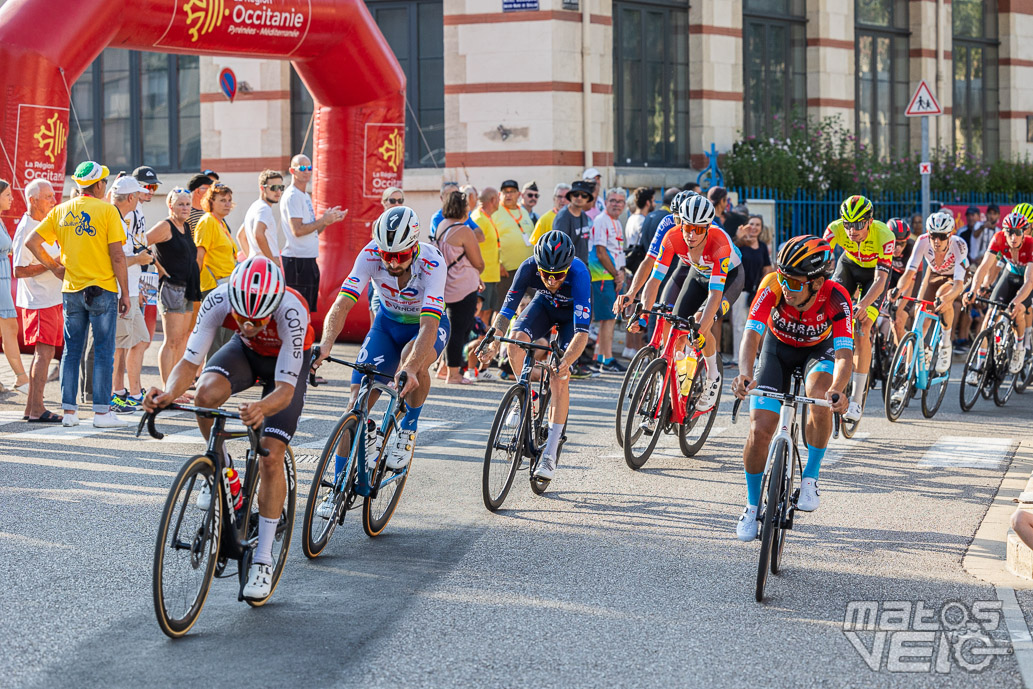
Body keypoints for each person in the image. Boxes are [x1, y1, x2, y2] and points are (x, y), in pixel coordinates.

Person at [143, 256, 312, 600]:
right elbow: (190, 362)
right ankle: (224, 468)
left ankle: (263, 559)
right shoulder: (219, 298)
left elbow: (285, 390)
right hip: (246, 355)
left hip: (285, 366)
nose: (249, 325)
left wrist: (262, 408)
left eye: (258, 319)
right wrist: (168, 392)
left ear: (274, 306)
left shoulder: (292, 311)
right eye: (243, 318)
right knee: (204, 394)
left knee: (270, 454)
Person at [731, 236, 852, 540]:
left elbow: (844, 355)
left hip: (818, 353)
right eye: (784, 278)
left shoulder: (837, 297)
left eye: (795, 283)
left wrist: (838, 388)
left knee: (819, 395)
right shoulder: (772, 284)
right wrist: (745, 374)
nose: (786, 287)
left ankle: (810, 476)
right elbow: (751, 335)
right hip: (776, 350)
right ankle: (751, 503)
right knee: (760, 431)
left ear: (816, 282)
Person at [316, 205, 450, 476]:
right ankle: (338, 484)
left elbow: (429, 325)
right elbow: (341, 304)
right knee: (355, 406)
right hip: (386, 326)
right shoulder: (369, 255)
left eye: (400, 255)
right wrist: (325, 343)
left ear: (413, 248)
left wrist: (411, 367)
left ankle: (408, 428)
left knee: (414, 360)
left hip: (425, 327)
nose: (391, 263)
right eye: (386, 255)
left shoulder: (433, 263)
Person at [478, 231, 591, 481]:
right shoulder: (528, 267)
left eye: (558, 275)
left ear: (568, 266)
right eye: (546, 274)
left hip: (570, 317)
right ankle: (527, 397)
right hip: (543, 306)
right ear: (538, 266)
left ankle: (550, 453)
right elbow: (506, 311)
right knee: (515, 342)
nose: (552, 280)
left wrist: (566, 361)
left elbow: (582, 334)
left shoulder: (580, 273)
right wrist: (494, 341)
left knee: (559, 377)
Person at [25, 161, 131, 428]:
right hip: (103, 288)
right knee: (104, 351)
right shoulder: (107, 210)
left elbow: (32, 242)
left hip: (72, 288)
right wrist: (126, 293)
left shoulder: (61, 210)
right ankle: (102, 413)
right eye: (104, 181)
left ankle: (70, 413)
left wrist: (56, 267)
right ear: (98, 185)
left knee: (72, 352)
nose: (105, 185)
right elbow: (117, 255)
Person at [629, 194, 743, 412]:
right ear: (680, 222)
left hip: (729, 279)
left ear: (708, 227)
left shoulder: (719, 244)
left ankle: (712, 376)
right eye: (687, 226)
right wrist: (643, 312)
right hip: (698, 274)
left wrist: (700, 329)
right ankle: (679, 379)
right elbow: (654, 280)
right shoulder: (672, 236)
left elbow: (715, 295)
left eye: (698, 229)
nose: (691, 234)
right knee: (674, 326)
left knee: (701, 322)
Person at [822, 195, 894, 421]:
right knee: (827, 310)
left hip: (874, 275)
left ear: (869, 221)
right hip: (849, 267)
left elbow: (881, 280)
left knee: (863, 326)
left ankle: (856, 400)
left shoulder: (885, 235)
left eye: (858, 224)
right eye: (848, 224)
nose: (852, 231)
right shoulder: (835, 229)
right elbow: (820, 259)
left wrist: (862, 304)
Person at [889, 211, 968, 383]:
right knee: (920, 318)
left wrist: (947, 298)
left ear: (949, 235)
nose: (937, 241)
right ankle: (908, 373)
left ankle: (946, 344)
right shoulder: (922, 241)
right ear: (928, 234)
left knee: (943, 297)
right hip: (933, 275)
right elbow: (909, 272)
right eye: (933, 236)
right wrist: (898, 290)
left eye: (941, 236)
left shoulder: (959, 244)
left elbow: (959, 285)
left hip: (955, 277)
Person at [964, 212, 1033, 376]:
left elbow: (1029, 281)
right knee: (990, 314)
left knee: (1019, 311)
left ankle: (1019, 348)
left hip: (1028, 279)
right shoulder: (999, 238)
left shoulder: (1031, 244)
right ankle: (979, 366)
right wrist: (973, 290)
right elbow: (984, 267)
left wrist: (1016, 301)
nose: (1013, 236)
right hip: (1010, 274)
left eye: (1017, 232)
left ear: (1024, 232)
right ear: (1004, 231)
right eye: (1009, 231)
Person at [13, 179, 59, 419]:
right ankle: (37, 409)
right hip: (39, 299)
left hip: (49, 297)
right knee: (44, 354)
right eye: (48, 197)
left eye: (53, 196)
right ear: (33, 200)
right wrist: (53, 266)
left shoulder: (44, 223)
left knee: (46, 353)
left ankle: (31, 408)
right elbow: (18, 270)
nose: (54, 201)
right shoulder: (27, 226)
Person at [109, 176, 155, 413]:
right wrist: (139, 258)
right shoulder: (114, 219)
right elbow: (115, 259)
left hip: (131, 289)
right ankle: (118, 393)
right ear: (130, 197)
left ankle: (133, 392)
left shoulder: (124, 217)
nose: (141, 198)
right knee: (121, 345)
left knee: (139, 340)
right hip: (119, 292)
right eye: (138, 194)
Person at [147, 189, 202, 385]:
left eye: (187, 204)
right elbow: (142, 243)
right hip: (172, 288)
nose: (185, 208)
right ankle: (166, 387)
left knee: (181, 341)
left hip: (189, 287)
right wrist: (158, 267)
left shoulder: (186, 227)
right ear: (170, 205)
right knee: (171, 341)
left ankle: (176, 386)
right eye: (180, 204)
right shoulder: (165, 226)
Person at [280, 154, 347, 313]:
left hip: (307, 259)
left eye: (309, 168)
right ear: (292, 171)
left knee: (307, 309)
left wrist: (327, 220)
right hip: (297, 261)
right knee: (297, 310)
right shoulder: (293, 196)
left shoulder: (303, 195)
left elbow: (312, 229)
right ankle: (298, 338)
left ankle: (304, 338)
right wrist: (322, 219)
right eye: (302, 168)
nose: (307, 171)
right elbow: (298, 230)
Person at [436, 190, 484, 384]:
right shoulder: (464, 230)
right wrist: (479, 272)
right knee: (459, 330)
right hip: (463, 286)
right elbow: (478, 262)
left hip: (446, 284)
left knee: (450, 329)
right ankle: (453, 374)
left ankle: (444, 368)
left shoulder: (441, 226)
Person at [193, 182, 239, 357]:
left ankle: (221, 376)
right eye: (222, 200)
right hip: (213, 286)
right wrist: (194, 288)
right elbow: (199, 256)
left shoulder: (220, 223)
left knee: (228, 335)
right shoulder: (207, 222)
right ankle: (211, 377)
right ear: (211, 201)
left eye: (229, 200)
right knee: (216, 338)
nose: (227, 204)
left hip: (227, 286)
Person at [589, 188, 627, 372]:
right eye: (613, 200)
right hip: (603, 276)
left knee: (609, 319)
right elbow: (601, 252)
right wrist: (616, 274)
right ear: (605, 202)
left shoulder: (616, 222)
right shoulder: (601, 220)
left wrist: (621, 272)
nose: (616, 204)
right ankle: (607, 360)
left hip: (612, 275)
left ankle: (600, 356)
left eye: (620, 201)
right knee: (608, 318)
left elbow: (617, 250)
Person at [730, 214, 773, 359]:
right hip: (739, 290)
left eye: (757, 225)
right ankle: (738, 358)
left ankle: (753, 357)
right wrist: (738, 237)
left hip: (756, 292)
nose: (754, 228)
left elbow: (767, 268)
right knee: (739, 325)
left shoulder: (761, 246)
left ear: (761, 229)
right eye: (751, 224)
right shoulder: (739, 244)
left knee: (755, 325)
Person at [0, 179, 29, 392]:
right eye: (7, 195)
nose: (12, 198)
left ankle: (21, 378)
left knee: (9, 327)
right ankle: (21, 378)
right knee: (10, 327)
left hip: (3, 279)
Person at [129, 166, 162, 340]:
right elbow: (125, 248)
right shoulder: (131, 209)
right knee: (129, 341)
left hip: (138, 275)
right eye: (147, 187)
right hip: (130, 279)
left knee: (139, 340)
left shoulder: (139, 208)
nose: (151, 192)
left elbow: (138, 242)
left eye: (154, 188)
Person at [492, 180, 535, 293]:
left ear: (519, 194)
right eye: (505, 192)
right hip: (506, 271)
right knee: (504, 307)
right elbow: (490, 240)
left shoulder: (523, 211)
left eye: (512, 191)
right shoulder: (495, 211)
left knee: (529, 304)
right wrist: (498, 264)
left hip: (527, 268)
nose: (509, 195)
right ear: (500, 194)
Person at [472, 187, 502, 323]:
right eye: (498, 198)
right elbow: (471, 246)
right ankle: (477, 343)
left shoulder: (486, 217)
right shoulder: (479, 218)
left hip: (491, 275)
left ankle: (482, 341)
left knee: (488, 312)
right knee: (480, 313)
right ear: (493, 199)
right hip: (483, 276)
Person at [242, 170, 285, 262]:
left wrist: (250, 259)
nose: (278, 192)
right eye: (274, 187)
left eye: (281, 187)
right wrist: (272, 260)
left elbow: (241, 236)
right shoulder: (264, 209)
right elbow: (258, 233)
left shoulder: (254, 206)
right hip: (265, 266)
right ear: (262, 188)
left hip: (257, 264)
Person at [552, 180, 594, 264]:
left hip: (583, 264)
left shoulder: (583, 214)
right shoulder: (563, 217)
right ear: (570, 196)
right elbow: (558, 248)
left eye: (584, 195)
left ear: (588, 199)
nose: (579, 198)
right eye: (576, 194)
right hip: (569, 266)